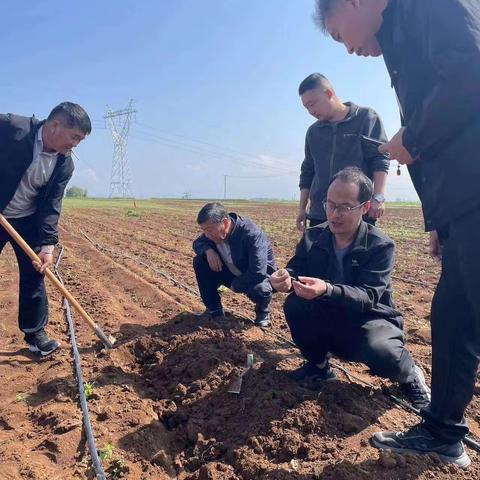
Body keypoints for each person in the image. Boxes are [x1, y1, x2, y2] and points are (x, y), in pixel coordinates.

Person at [314, 0, 480, 469]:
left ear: (354, 2)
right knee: (452, 321)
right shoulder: (400, 34)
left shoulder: (431, 5)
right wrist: (442, 223)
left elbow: (472, 74)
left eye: (337, 34)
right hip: (462, 203)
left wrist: (414, 135)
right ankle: (443, 432)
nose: (346, 49)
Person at [270, 167, 430, 411]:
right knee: (295, 305)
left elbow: (369, 295)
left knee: (381, 350)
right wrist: (285, 278)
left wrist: (328, 289)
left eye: (344, 207)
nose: (334, 213)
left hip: (370, 319)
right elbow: (296, 268)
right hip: (329, 312)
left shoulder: (380, 245)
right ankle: (319, 367)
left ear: (365, 208)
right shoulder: (314, 237)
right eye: (330, 204)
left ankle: (409, 373)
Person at [0, 102, 92, 356]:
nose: (75, 144)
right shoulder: (11, 127)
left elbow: (52, 206)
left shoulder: (64, 165)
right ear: (54, 125)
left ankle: (35, 333)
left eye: (80, 140)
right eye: (74, 137)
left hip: (27, 220)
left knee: (34, 273)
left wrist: (47, 246)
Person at [296, 72, 389, 231]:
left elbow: (379, 159)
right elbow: (308, 172)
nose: (310, 111)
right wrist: (302, 208)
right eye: (306, 107)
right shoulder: (313, 132)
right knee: (318, 256)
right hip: (320, 213)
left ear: (329, 94)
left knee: (357, 256)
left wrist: (378, 197)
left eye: (312, 104)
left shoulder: (365, 118)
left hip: (356, 212)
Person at [193, 202, 276, 327]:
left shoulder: (252, 235)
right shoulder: (212, 234)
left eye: (209, 230)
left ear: (225, 223)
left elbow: (258, 272)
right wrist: (208, 250)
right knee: (200, 262)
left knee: (260, 290)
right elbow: (197, 243)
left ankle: (262, 312)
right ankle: (214, 309)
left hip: (255, 277)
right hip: (231, 272)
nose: (207, 235)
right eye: (204, 231)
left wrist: (235, 285)